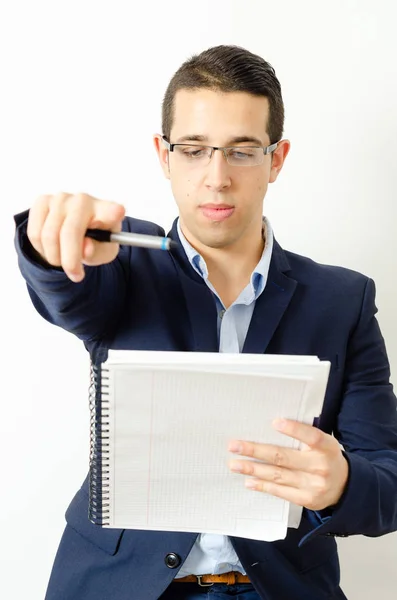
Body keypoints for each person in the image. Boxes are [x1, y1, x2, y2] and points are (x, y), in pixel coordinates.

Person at [14, 44, 397, 600]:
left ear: (278, 158)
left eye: (242, 152)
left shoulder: (343, 300)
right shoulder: (121, 264)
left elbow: (387, 480)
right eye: (194, 150)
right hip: (121, 586)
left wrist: (341, 484)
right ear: (164, 156)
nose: (217, 178)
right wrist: (49, 246)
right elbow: (66, 291)